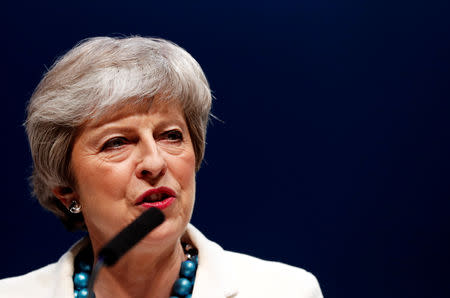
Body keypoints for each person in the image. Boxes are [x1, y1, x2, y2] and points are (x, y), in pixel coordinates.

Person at [0, 36, 323, 298]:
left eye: (171, 136)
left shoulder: (285, 290)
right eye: (116, 142)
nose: (154, 163)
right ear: (67, 192)